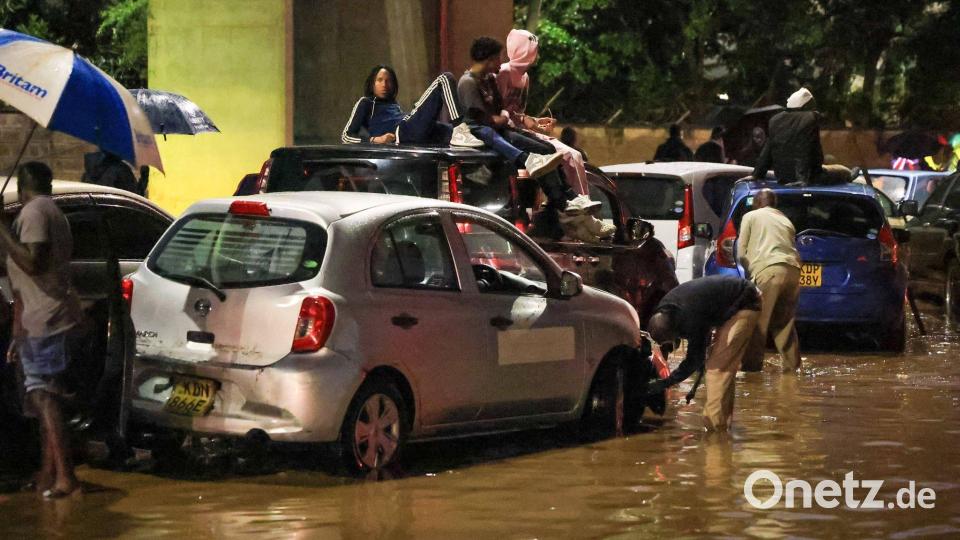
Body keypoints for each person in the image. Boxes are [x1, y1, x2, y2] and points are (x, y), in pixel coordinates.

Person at [0, 162, 83, 498]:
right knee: (43, 396)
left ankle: (66, 477)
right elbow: (21, 283)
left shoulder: (35, 212)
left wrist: (2, 229)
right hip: (39, 320)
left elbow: (34, 263)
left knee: (45, 399)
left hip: (47, 322)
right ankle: (50, 475)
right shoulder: (50, 211)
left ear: (23, 187)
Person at [645, 276, 762, 431]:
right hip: (734, 300)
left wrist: (666, 382)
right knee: (723, 366)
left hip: (746, 302)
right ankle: (722, 425)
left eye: (672, 339)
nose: (674, 342)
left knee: (717, 370)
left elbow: (693, 360)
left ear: (675, 329)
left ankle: (714, 429)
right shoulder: (668, 309)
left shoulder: (689, 316)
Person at [496, 29, 589, 195]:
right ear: (524, 50)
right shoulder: (504, 72)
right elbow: (498, 111)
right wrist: (524, 122)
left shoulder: (525, 77)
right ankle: (569, 203)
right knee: (566, 155)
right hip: (509, 133)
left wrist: (534, 121)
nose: (536, 53)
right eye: (533, 48)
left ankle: (581, 204)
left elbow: (517, 113)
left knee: (576, 156)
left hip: (519, 131)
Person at [737, 189, 802, 372]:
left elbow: (742, 253)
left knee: (757, 322)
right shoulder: (785, 220)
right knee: (785, 323)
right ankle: (793, 369)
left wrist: (752, 274)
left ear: (757, 203)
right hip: (793, 271)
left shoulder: (751, 216)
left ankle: (751, 371)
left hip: (768, 270)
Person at [341, 65, 483, 148]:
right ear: (372, 83)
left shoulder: (393, 104)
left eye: (388, 81)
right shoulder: (366, 103)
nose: (384, 84)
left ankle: (479, 173)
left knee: (476, 134)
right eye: (380, 80)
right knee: (444, 79)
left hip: (416, 131)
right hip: (404, 131)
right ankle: (459, 128)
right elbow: (346, 136)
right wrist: (375, 140)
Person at [751, 88, 847, 186]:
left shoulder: (775, 120)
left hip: (782, 178)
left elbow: (768, 150)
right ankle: (850, 175)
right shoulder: (809, 118)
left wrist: (756, 174)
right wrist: (801, 179)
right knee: (843, 171)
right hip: (811, 177)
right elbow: (803, 149)